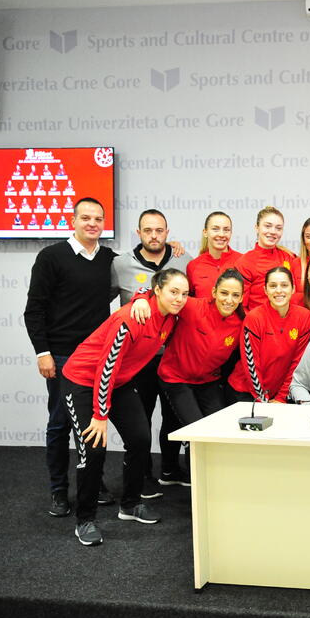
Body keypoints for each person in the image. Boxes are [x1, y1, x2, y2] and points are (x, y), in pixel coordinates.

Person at [61, 268, 188, 545]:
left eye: (184, 293)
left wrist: (140, 294)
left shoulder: (171, 318)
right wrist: (99, 414)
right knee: (93, 450)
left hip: (118, 383)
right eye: (173, 292)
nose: (179, 298)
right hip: (83, 381)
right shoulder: (131, 319)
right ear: (158, 291)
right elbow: (106, 368)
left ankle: (129, 505)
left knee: (141, 439)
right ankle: (85, 519)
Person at [24, 197, 118, 517]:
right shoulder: (51, 257)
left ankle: (93, 484)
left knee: (93, 423)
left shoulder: (108, 258)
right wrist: (43, 353)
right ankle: (59, 491)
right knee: (61, 424)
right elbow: (34, 309)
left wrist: (172, 247)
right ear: (73, 221)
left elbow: (140, 264)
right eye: (86, 218)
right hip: (62, 356)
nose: (92, 223)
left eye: (98, 219)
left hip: (97, 358)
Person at [111, 209, 193, 492]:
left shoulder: (184, 260)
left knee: (172, 416)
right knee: (140, 418)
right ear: (139, 233)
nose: (154, 235)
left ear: (168, 233)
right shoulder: (120, 264)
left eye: (159, 230)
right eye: (148, 230)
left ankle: (170, 468)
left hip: (173, 355)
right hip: (138, 359)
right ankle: (142, 476)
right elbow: (103, 303)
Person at [130, 269, 244, 452]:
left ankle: (213, 477)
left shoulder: (241, 323)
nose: (229, 300)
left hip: (208, 381)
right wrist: (141, 298)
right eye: (224, 293)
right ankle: (185, 476)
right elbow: (155, 290)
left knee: (221, 427)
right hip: (176, 378)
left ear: (241, 298)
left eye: (235, 295)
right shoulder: (193, 307)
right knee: (196, 430)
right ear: (214, 292)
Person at [227, 267, 310, 403]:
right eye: (273, 286)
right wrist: (264, 401)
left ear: (293, 289)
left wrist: (281, 398)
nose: (279, 290)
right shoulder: (254, 318)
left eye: (284, 285)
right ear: (265, 290)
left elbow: (298, 364)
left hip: (280, 393)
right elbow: (251, 366)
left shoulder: (304, 317)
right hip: (245, 392)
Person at [235, 206, 299, 312]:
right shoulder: (244, 262)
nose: (273, 232)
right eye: (268, 226)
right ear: (257, 227)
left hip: (288, 323)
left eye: (278, 228)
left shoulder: (288, 256)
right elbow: (241, 306)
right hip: (260, 324)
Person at [186, 211, 242, 298]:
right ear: (205, 232)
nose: (221, 234)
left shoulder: (242, 261)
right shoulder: (193, 266)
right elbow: (191, 302)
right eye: (215, 229)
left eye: (226, 230)